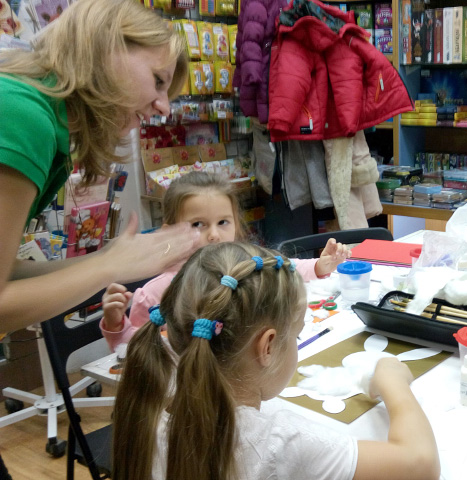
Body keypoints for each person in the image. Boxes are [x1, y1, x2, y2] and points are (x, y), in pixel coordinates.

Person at [112, 242, 440, 480]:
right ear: (267, 346)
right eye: (295, 336)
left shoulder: (150, 390)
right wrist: (394, 383)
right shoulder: (278, 441)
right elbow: (420, 464)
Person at [0, 0, 199, 334]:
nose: (164, 108)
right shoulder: (24, 117)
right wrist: (109, 265)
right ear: (105, 47)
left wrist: (107, 259)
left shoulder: (43, 121)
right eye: (158, 81)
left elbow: (7, 273)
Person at [100, 171, 350, 351]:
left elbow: (284, 266)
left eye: (223, 222)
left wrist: (320, 266)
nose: (214, 235)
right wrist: (116, 325)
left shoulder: (244, 262)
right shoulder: (154, 294)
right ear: (169, 232)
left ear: (236, 224)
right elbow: (135, 351)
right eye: (198, 224)